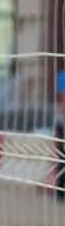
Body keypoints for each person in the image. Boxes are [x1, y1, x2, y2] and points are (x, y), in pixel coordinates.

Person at [54, 71, 65, 202]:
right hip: (62, 123)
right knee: (62, 157)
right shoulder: (63, 77)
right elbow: (63, 99)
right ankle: (61, 191)